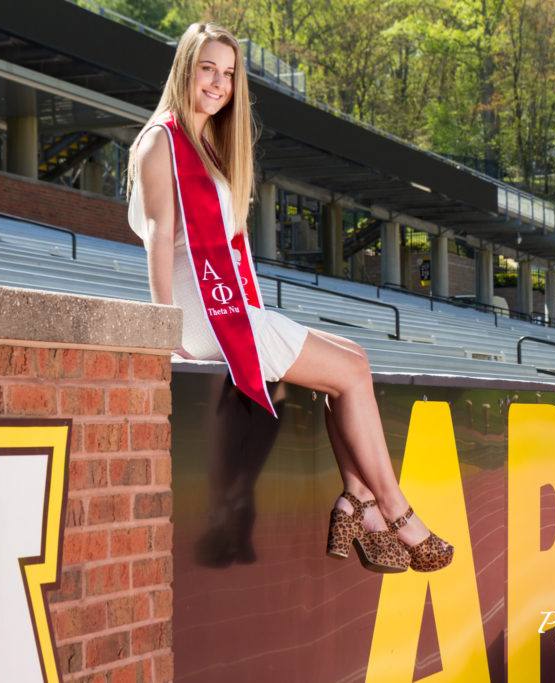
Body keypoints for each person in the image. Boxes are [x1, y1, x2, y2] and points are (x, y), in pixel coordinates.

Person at [127, 22, 452, 573]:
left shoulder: (204, 144)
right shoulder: (162, 140)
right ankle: (391, 510)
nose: (218, 82)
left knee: (354, 365)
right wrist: (168, 333)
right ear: (185, 68)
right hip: (207, 321)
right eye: (207, 68)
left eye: (228, 73)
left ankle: (359, 501)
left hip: (226, 310)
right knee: (350, 373)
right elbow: (160, 237)